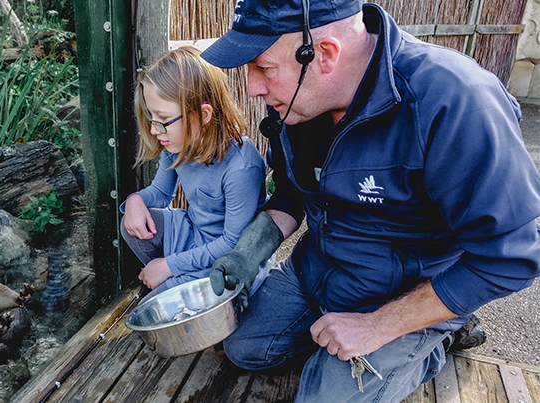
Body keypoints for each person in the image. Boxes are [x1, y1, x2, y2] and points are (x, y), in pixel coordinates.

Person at [200, 0, 540, 402]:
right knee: (245, 350)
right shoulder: (297, 102)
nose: (253, 88)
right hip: (319, 271)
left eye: (263, 68)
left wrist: (377, 327)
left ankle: (433, 338)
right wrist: (247, 252)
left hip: (401, 292)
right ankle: (348, 348)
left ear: (322, 54)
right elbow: (292, 189)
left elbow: (511, 256)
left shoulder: (455, 99)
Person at [120, 46, 270, 296]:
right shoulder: (178, 145)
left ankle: (181, 281)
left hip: (232, 259)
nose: (155, 131)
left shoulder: (241, 167)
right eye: (150, 118)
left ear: (203, 115)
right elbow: (160, 193)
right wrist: (135, 200)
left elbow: (233, 244)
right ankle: (176, 278)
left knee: (161, 301)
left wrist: (169, 265)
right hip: (195, 235)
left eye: (162, 119)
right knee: (131, 224)